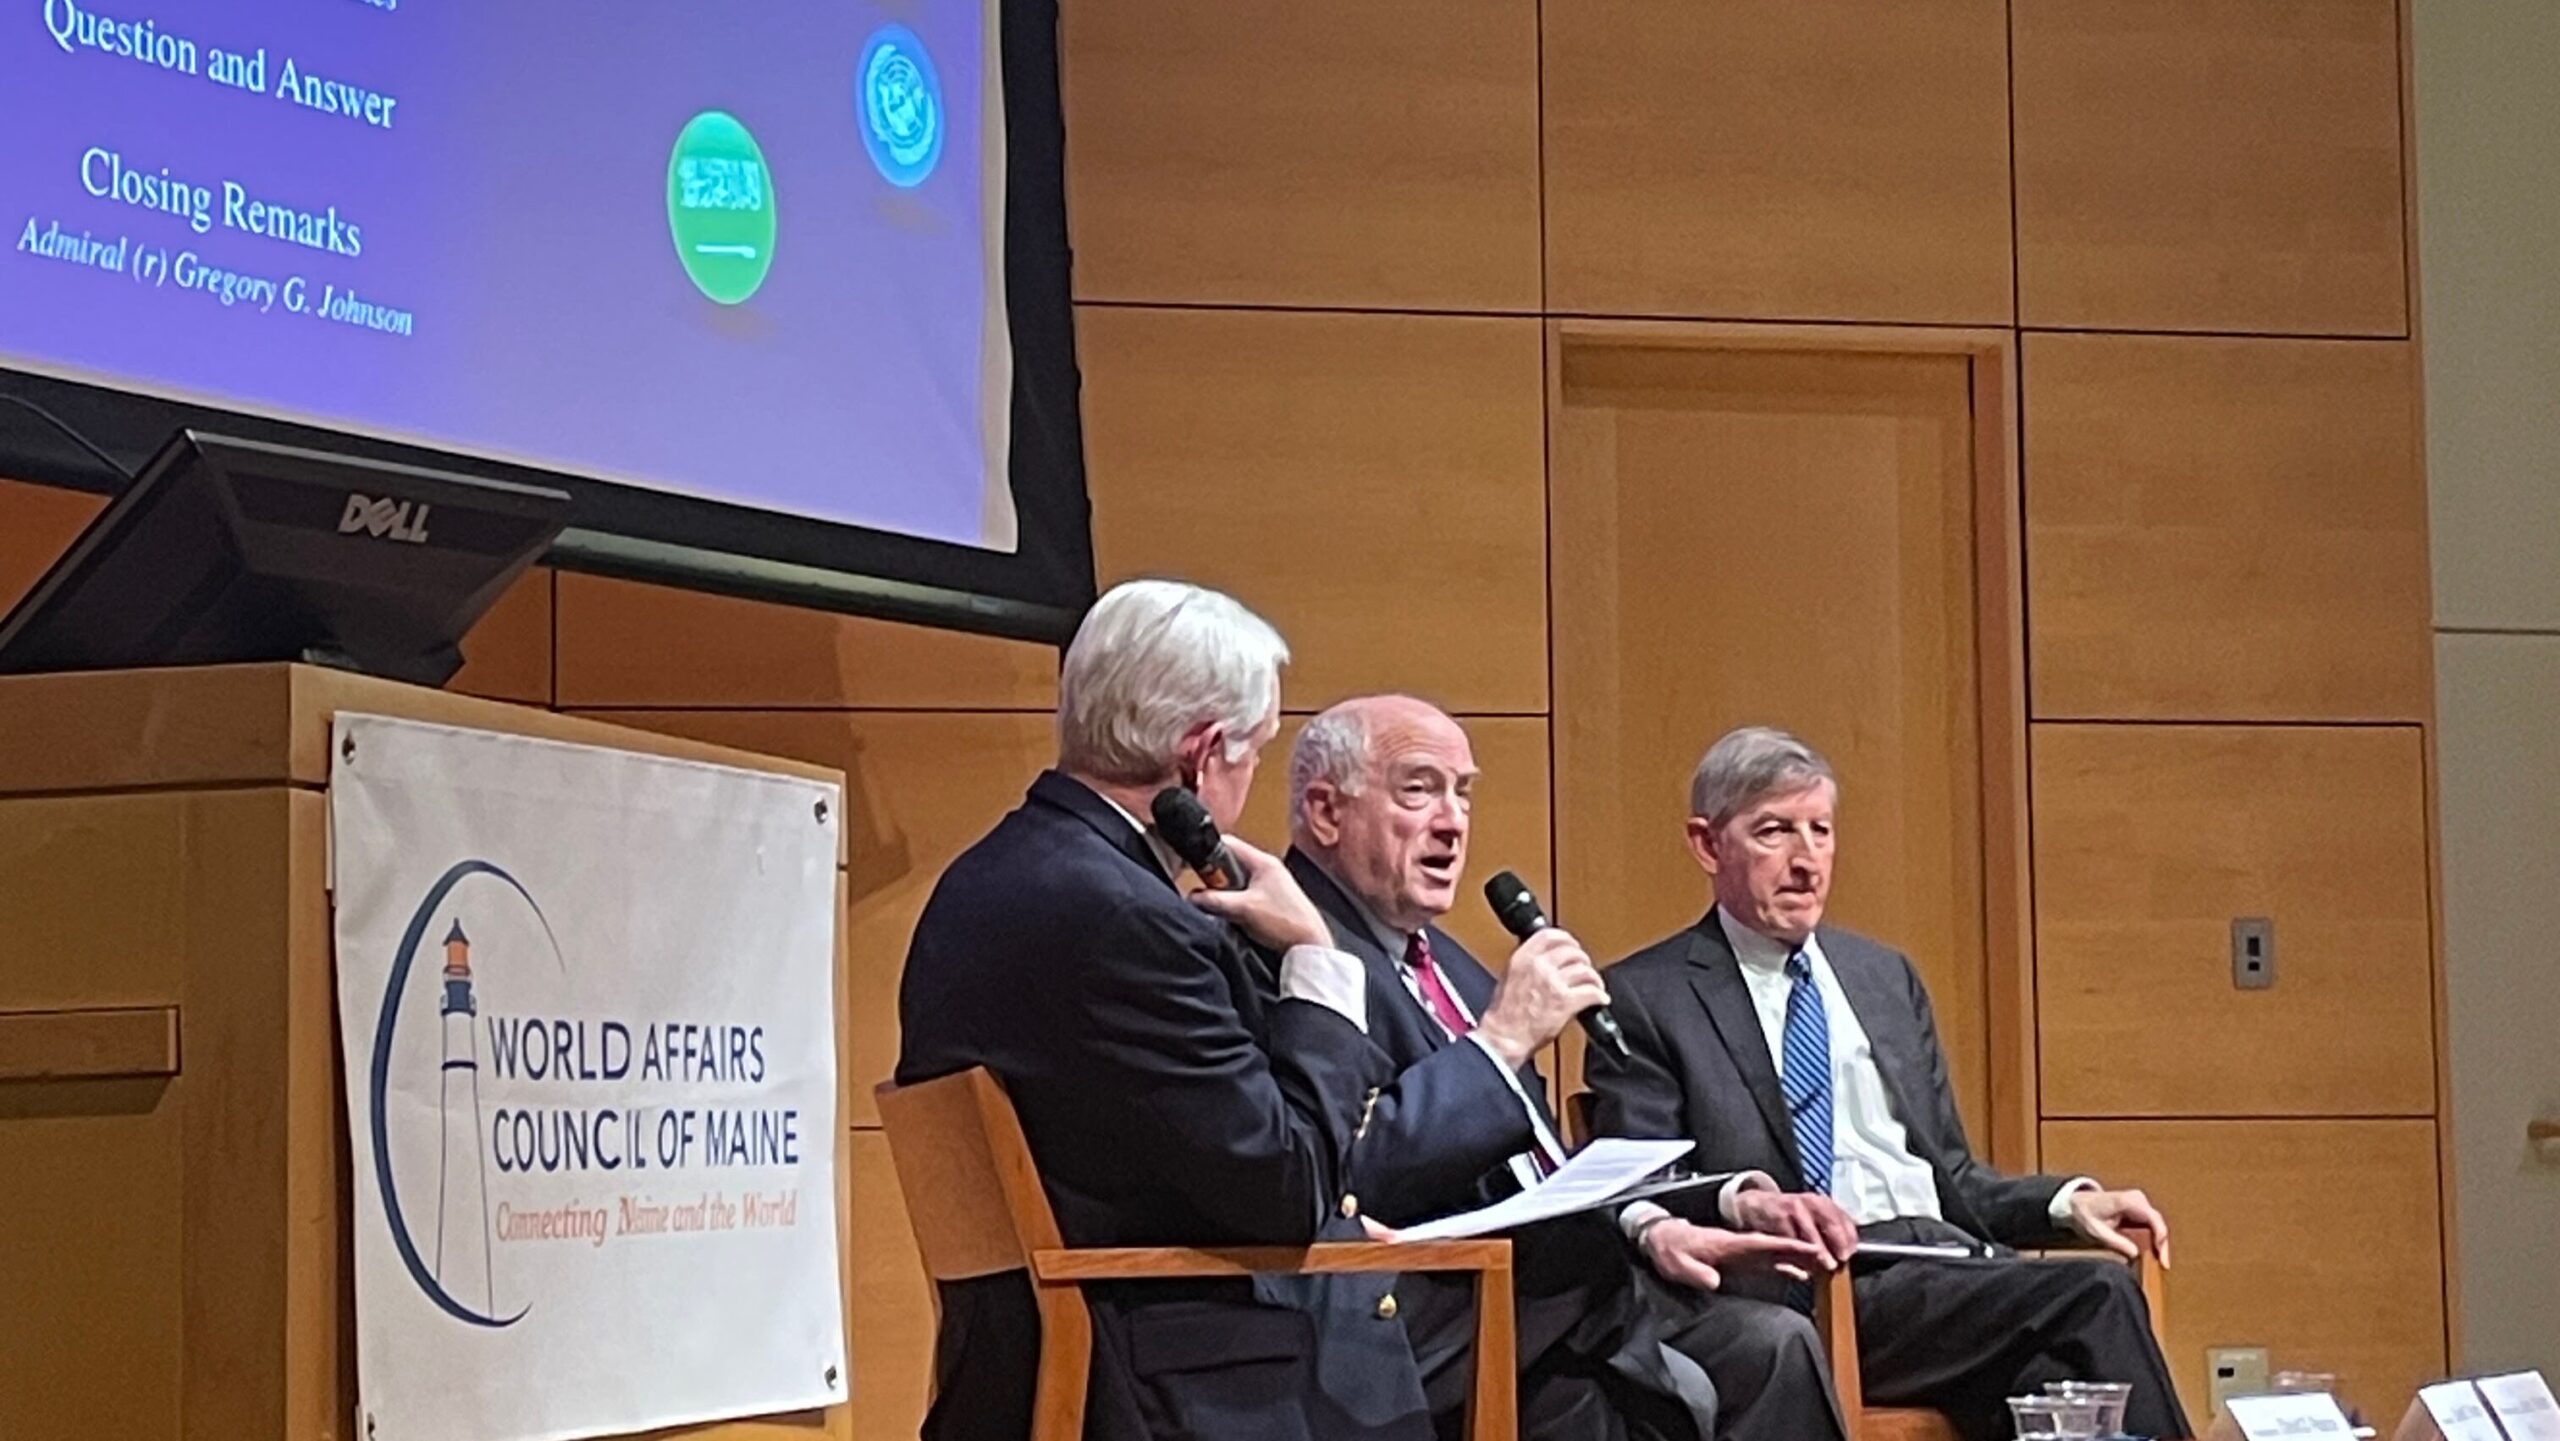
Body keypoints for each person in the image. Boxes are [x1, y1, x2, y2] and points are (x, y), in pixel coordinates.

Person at [896, 580, 1429, 1441]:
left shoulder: (986, 877)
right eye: (1254, 750)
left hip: (1012, 1366)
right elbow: (1287, 1192)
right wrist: (1317, 959)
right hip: (1155, 1380)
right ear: (1202, 755)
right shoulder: (1126, 919)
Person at [1584, 726, 2193, 1441]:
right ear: (1707, 844)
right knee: (2095, 1294)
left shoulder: (1882, 977)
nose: (1807, 859)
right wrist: (1756, 1208)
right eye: (1775, 831)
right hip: (1819, 1282)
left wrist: (2067, 1202)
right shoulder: (1647, 994)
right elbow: (1640, 1181)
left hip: (1948, 1269)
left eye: (1821, 830)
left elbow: (1953, 1176)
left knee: (2056, 1386)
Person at [1283, 695, 1848, 1441]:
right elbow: (1345, 1171)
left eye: (1464, 792)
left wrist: (1650, 1224)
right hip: (1424, 1313)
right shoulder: (1295, 952)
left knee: (1772, 1344)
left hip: (1555, 1290)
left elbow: (1543, 1170)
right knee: (1628, 1389)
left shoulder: (1448, 962)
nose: (1453, 822)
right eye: (1420, 790)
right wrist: (1503, 1041)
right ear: (1326, 812)